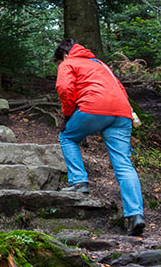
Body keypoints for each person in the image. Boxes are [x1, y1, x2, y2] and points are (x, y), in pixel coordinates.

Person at [53, 38, 145, 236]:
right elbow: (121, 89)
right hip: (122, 112)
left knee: (67, 137)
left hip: (94, 107)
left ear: (65, 55)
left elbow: (65, 88)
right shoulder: (99, 64)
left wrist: (68, 116)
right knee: (123, 163)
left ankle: (79, 182)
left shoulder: (68, 63)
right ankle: (135, 215)